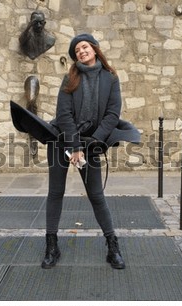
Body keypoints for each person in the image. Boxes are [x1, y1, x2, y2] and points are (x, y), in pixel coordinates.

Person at [42, 33, 125, 270]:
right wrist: (74, 146)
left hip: (91, 142)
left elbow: (112, 114)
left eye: (84, 46)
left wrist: (93, 143)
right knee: (55, 192)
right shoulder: (70, 78)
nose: (81, 51)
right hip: (62, 139)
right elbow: (63, 115)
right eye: (77, 50)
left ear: (95, 49)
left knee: (96, 195)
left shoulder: (110, 78)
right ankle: (51, 245)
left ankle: (112, 245)